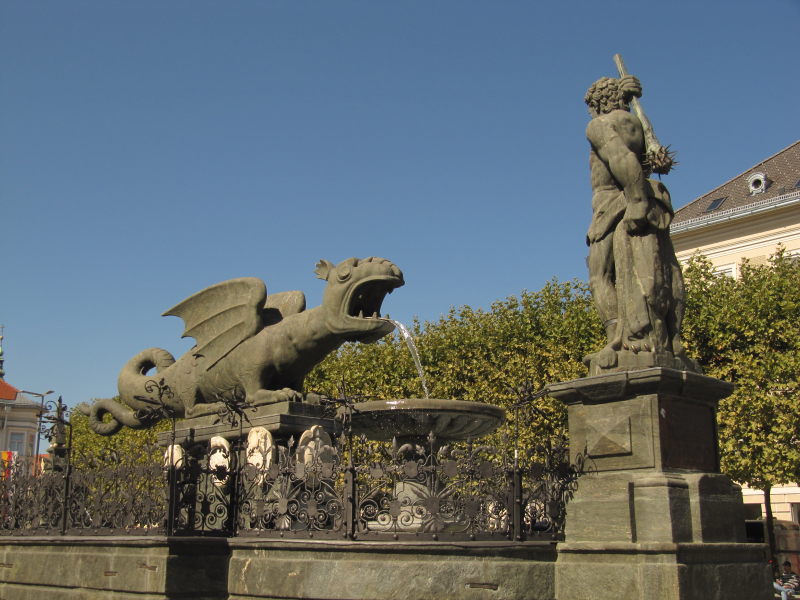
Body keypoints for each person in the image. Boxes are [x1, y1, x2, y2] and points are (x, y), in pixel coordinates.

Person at [583, 74, 695, 374]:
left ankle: (617, 340)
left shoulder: (599, 125)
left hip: (613, 204)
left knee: (600, 274)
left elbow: (621, 159)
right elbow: (659, 162)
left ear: (597, 102)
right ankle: (669, 338)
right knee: (658, 268)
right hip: (647, 195)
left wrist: (636, 201)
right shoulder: (638, 126)